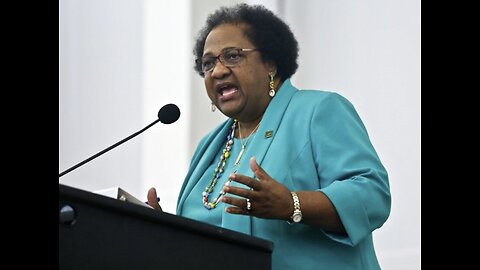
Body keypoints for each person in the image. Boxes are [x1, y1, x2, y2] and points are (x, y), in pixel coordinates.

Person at [147, 3, 391, 270]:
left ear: (270, 64)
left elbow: (372, 194)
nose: (217, 71)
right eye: (208, 63)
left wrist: (292, 204)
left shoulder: (318, 111)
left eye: (232, 56)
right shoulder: (209, 146)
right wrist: (167, 233)